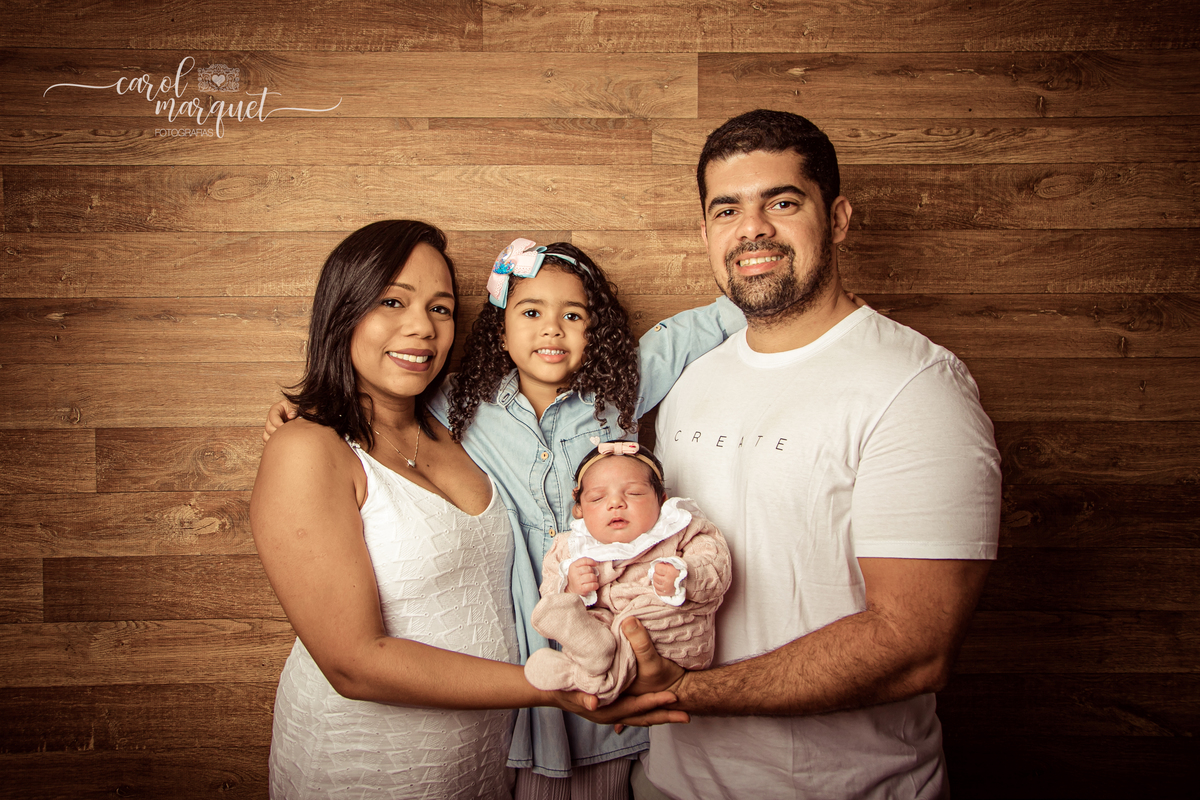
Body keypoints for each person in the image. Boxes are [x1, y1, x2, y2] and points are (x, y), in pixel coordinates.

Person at [612, 110, 1004, 799]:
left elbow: (915, 647)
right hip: (670, 782)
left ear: (839, 217)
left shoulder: (915, 387)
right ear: (706, 233)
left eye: (782, 202)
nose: (752, 229)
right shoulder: (690, 384)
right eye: (727, 209)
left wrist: (691, 693)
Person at [266, 236, 745, 797]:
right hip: (513, 686)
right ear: (500, 328)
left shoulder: (617, 390)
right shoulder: (460, 402)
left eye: (572, 315)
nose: (551, 329)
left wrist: (786, 306)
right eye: (531, 312)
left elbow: (692, 332)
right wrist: (310, 407)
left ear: (597, 331)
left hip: (612, 658)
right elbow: (371, 399)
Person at [524, 440, 731, 705]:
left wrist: (684, 575)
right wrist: (571, 587)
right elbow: (550, 589)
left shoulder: (681, 530)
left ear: (662, 499)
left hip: (668, 637)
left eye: (633, 493)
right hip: (604, 628)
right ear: (579, 508)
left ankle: (584, 674)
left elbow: (715, 563)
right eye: (598, 498)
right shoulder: (571, 547)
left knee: (659, 617)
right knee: (578, 614)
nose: (615, 504)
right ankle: (595, 656)